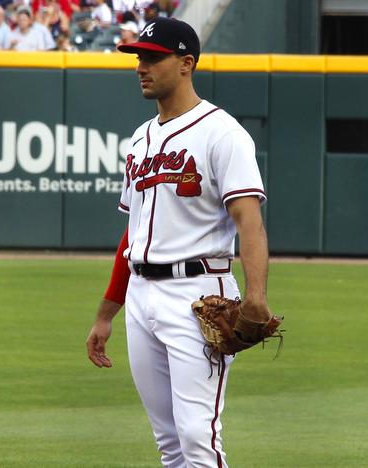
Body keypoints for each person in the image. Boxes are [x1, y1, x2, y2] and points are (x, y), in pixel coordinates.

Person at [85, 17, 271, 468]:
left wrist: (256, 296)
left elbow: (249, 222)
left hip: (198, 293)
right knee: (169, 443)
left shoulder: (222, 133)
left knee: (196, 437)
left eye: (152, 57)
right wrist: (105, 314)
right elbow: (133, 235)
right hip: (142, 296)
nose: (140, 66)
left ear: (186, 63)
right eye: (138, 57)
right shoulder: (140, 139)